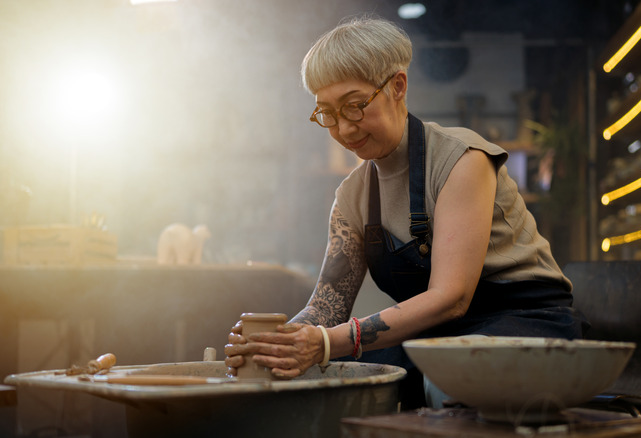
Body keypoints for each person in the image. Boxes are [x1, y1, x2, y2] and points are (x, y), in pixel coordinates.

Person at [224, 16, 588, 408]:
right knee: (347, 385)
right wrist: (274, 346)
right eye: (327, 113)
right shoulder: (352, 197)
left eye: (354, 106)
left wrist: (327, 343)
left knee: (449, 380)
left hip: (527, 323)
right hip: (438, 336)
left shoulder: (461, 160)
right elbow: (326, 308)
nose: (344, 129)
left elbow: (452, 298)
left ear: (397, 86)